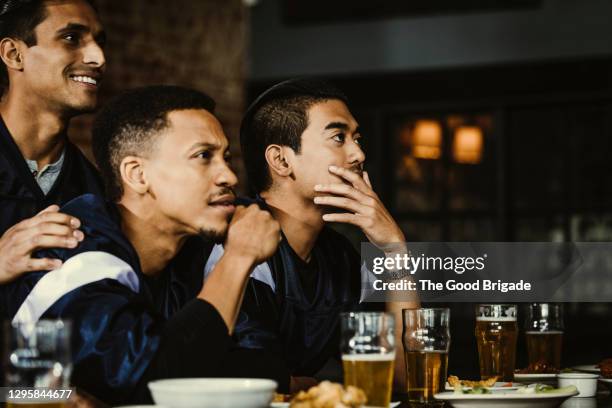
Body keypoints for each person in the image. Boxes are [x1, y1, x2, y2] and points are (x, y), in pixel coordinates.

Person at [3, 86, 289, 404]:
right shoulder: (69, 248)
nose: (229, 176)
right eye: (203, 156)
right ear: (138, 175)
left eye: (226, 157)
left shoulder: (198, 250)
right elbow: (154, 384)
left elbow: (266, 368)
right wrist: (239, 258)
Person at [205, 78, 418, 389]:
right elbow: (253, 382)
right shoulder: (239, 239)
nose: (358, 154)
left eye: (357, 139)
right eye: (338, 137)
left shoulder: (339, 256)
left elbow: (405, 378)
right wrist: (316, 388)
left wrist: (395, 250)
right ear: (281, 160)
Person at [0, 0, 106, 286]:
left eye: (99, 42)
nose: (98, 57)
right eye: (71, 38)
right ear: (14, 54)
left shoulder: (96, 194)